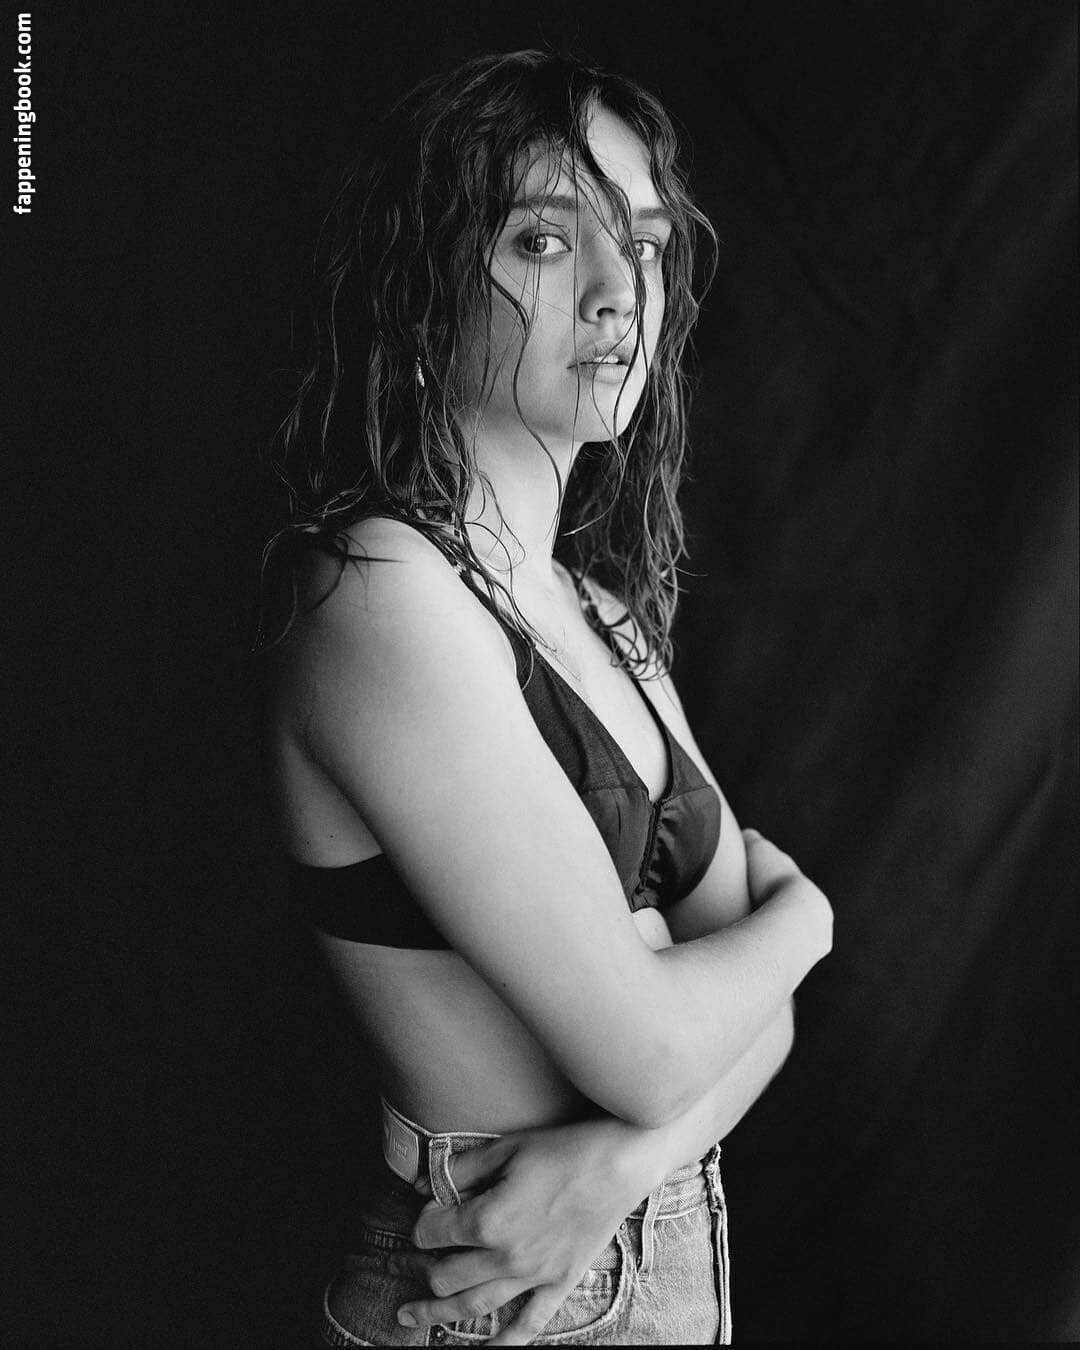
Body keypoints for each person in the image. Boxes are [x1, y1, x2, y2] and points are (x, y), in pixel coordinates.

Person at [261, 49, 833, 1346]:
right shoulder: (374, 591)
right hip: (486, 1298)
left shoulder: (604, 618)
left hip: (635, 1253)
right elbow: (659, 1045)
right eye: (542, 238)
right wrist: (809, 917)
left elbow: (760, 1024)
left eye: (644, 242)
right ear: (425, 284)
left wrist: (617, 1169)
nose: (618, 290)